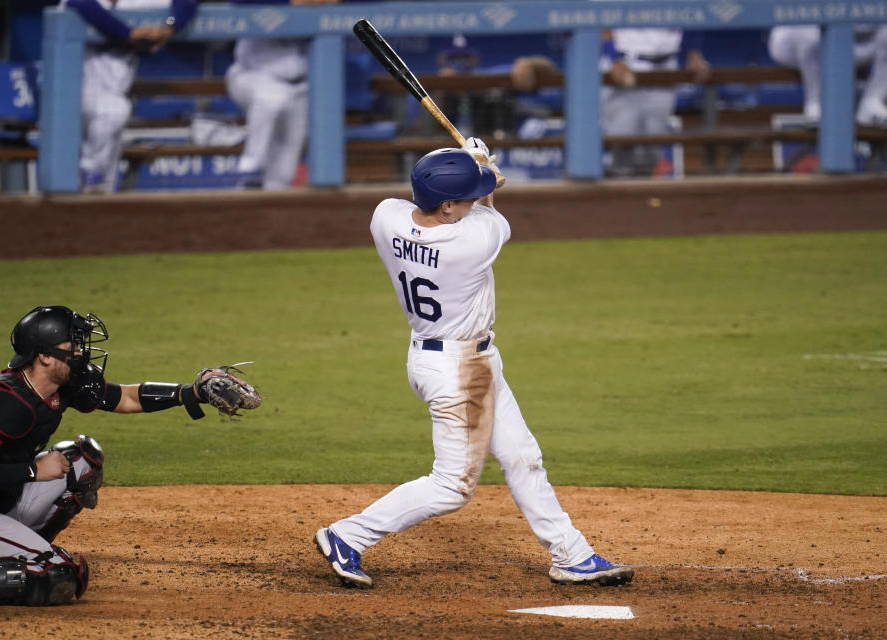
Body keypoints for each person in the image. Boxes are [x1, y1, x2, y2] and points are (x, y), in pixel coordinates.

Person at [314, 140, 634, 589]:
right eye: (461, 199)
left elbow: (467, 197)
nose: (469, 203)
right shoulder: (470, 242)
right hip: (459, 372)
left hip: (447, 357)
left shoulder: (385, 216)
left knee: (523, 457)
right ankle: (347, 535)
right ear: (447, 207)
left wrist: (470, 164)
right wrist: (483, 165)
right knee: (452, 486)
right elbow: (488, 204)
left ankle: (572, 555)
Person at [0, 305, 254, 607]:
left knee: (82, 460)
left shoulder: (59, 387)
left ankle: (18, 543)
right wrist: (33, 471)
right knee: (58, 574)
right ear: (43, 356)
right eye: (73, 347)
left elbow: (125, 397)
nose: (82, 354)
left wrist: (191, 393)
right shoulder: (2, 403)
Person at [511, 29, 710, 177]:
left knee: (653, 143)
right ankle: (619, 202)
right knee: (621, 139)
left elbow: (689, 13)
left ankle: (645, 202)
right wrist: (614, 58)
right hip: (626, 63)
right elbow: (602, 19)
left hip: (666, 67)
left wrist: (694, 53)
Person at [63, 0, 199, 192]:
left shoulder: (135, 3)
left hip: (114, 85)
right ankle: (89, 170)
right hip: (73, 81)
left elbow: (186, 3)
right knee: (115, 112)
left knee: (106, 159)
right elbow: (79, 3)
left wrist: (169, 26)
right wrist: (128, 33)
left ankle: (94, 187)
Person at [224, 0, 338, 190]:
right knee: (271, 99)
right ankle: (250, 168)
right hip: (253, 76)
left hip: (300, 85)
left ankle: (270, 206)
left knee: (285, 167)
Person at [769, 25, 887, 127]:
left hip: (857, 41)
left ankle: (872, 101)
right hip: (798, 40)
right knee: (811, 36)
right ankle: (816, 104)